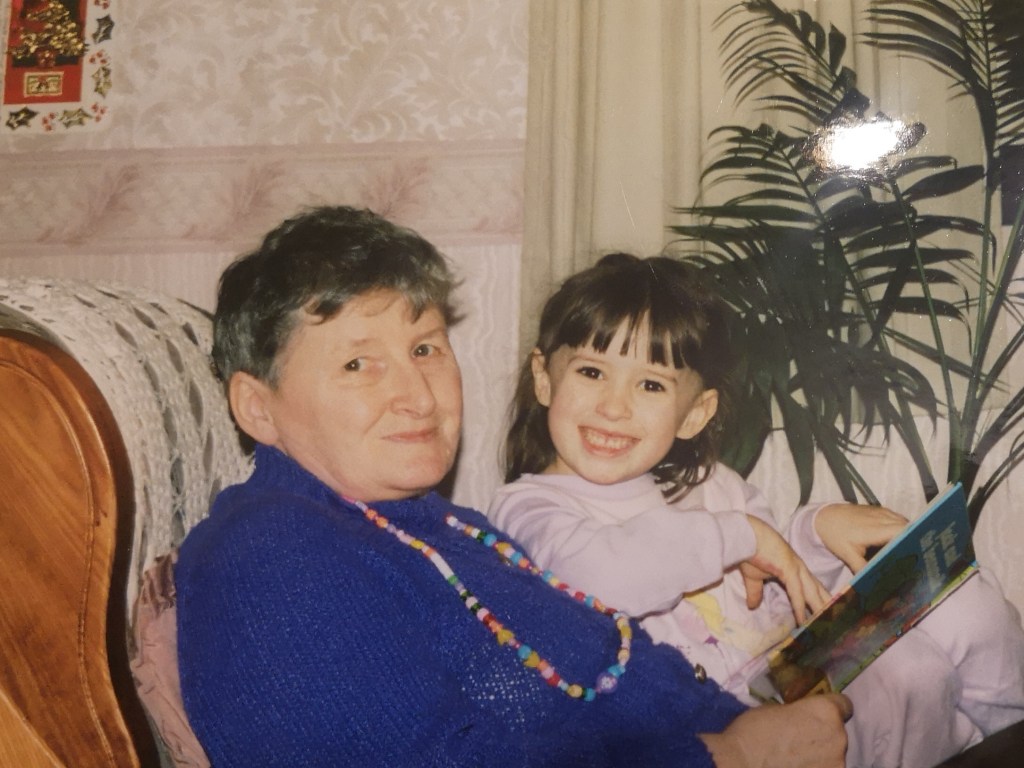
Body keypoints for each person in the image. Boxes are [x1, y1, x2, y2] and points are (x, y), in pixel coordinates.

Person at [174, 206, 853, 767]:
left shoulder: (445, 529)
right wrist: (731, 758)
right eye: (359, 363)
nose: (416, 394)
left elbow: (606, 678)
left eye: (425, 348)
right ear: (257, 407)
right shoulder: (269, 554)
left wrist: (771, 721)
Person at [487, 252, 1024, 768]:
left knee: (962, 601)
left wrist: (816, 531)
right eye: (591, 372)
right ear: (544, 377)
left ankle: (1006, 738)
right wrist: (742, 536)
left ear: (695, 414)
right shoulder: (528, 507)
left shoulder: (711, 484)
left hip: (795, 673)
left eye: (650, 384)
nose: (613, 405)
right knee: (909, 671)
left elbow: (779, 586)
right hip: (732, 725)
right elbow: (601, 576)